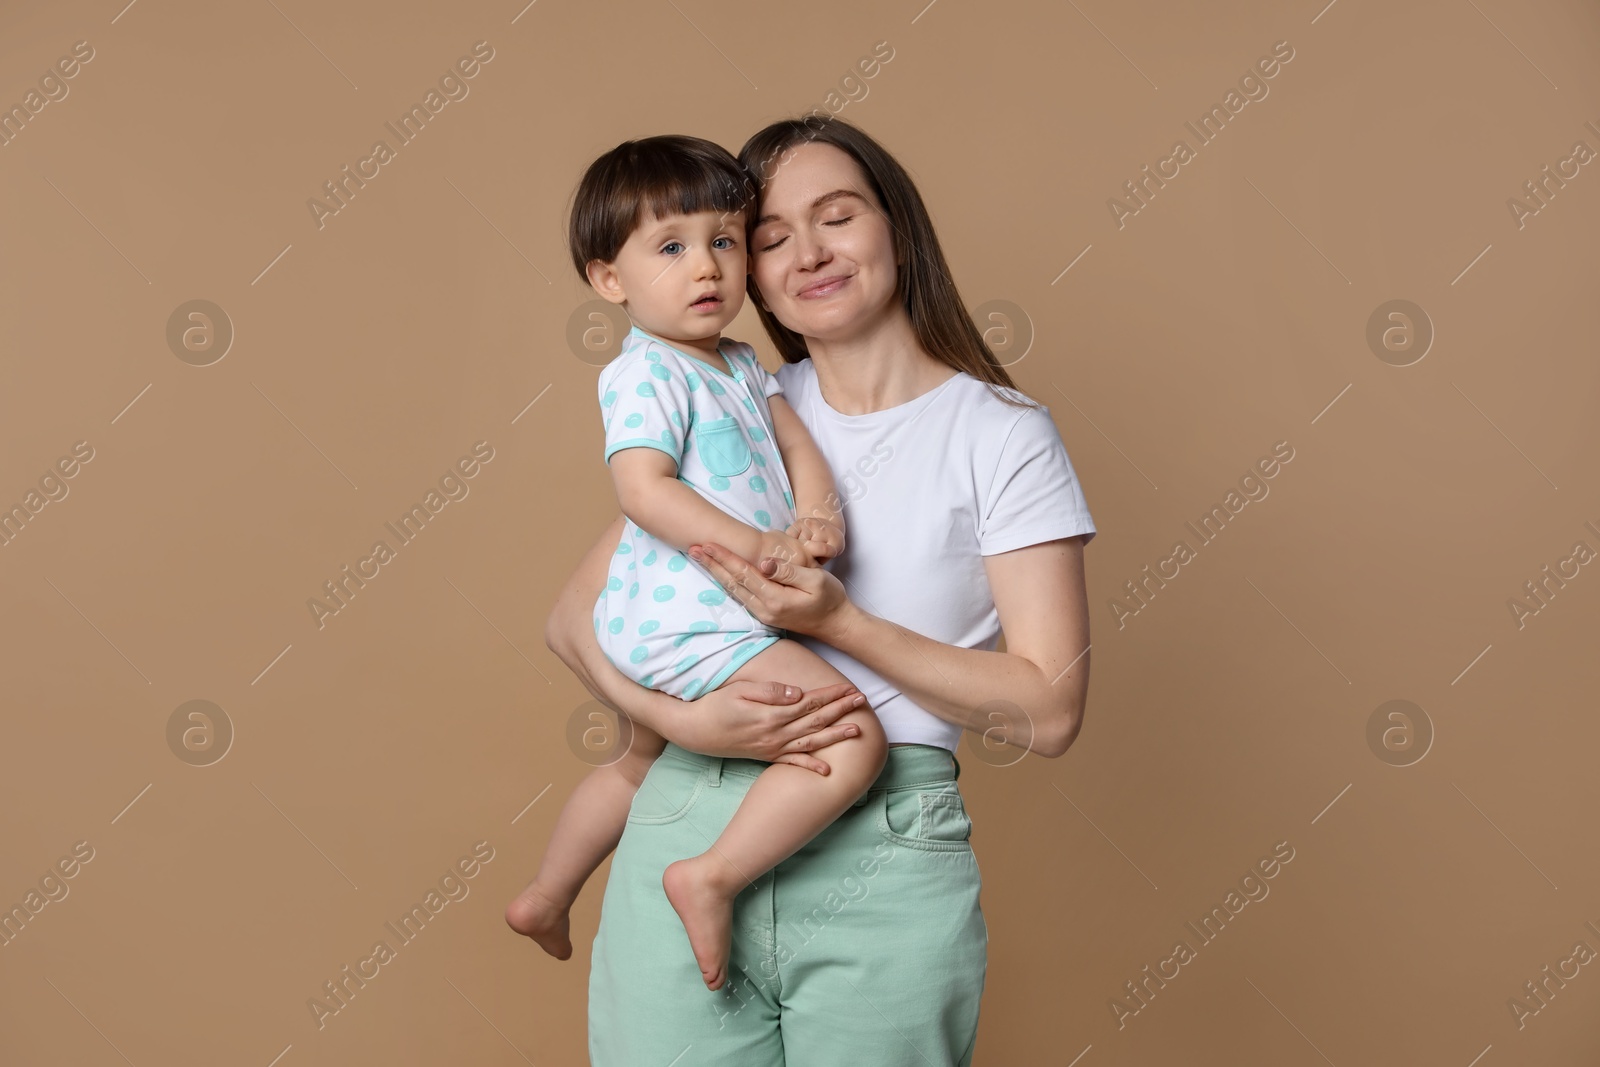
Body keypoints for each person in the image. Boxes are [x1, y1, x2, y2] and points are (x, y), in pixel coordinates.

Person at [546, 116, 1097, 1066]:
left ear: (897, 228)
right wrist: (681, 725)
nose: (808, 252)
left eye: (837, 217)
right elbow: (570, 621)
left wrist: (844, 622)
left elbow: (1047, 711)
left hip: (883, 840)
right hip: (685, 819)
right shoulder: (732, 397)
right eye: (768, 237)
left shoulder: (1000, 432)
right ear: (745, 268)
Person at [504, 134, 888, 992]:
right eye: (671, 248)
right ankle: (710, 875)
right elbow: (643, 490)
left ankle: (548, 891)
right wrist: (761, 547)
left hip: (680, 614)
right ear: (612, 281)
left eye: (723, 241)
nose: (706, 268)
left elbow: (798, 451)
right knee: (854, 735)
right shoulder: (643, 372)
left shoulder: (743, 364)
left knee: (638, 759)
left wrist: (816, 517)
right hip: (692, 614)